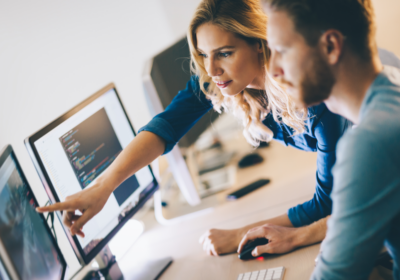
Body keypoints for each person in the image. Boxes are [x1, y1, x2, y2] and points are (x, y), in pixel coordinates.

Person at [36, 0, 397, 260]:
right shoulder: (226, 79)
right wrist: (103, 186)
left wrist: (242, 234)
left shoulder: (312, 91)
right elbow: (166, 125)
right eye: (203, 55)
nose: (211, 70)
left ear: (260, 44)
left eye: (224, 53)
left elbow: (329, 203)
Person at [238, 0, 400, 279]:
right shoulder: (391, 83)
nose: (272, 69)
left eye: (282, 51)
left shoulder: (369, 142)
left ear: (330, 47)